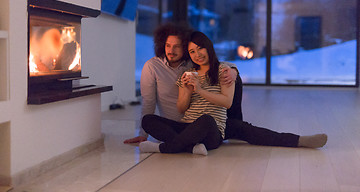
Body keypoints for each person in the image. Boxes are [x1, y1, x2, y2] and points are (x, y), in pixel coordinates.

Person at [124, 23, 327, 150]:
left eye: (177, 46)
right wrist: (143, 134)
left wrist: (233, 71)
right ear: (162, 44)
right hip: (182, 124)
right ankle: (190, 145)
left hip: (214, 122)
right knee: (149, 119)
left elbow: (218, 65)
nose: (172, 50)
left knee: (247, 130)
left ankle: (299, 141)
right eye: (168, 45)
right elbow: (153, 102)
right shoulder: (156, 67)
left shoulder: (192, 65)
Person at [139, 31, 235, 155]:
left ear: (208, 47)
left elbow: (227, 103)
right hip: (188, 126)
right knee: (147, 120)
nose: (197, 55)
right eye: (192, 52)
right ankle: (191, 148)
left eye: (200, 49)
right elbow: (181, 108)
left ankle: (163, 148)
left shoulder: (223, 70)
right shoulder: (188, 73)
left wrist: (200, 90)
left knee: (206, 120)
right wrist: (188, 93)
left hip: (211, 131)